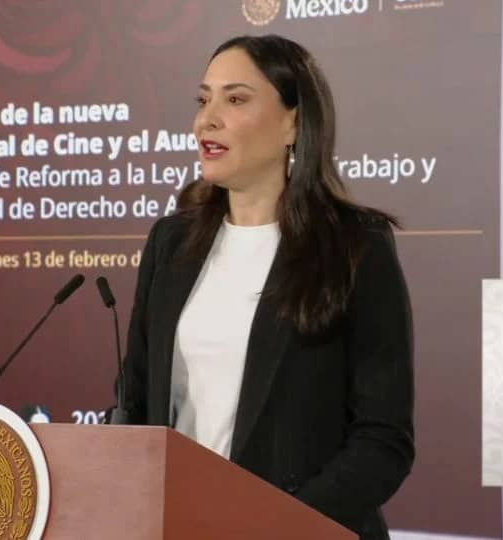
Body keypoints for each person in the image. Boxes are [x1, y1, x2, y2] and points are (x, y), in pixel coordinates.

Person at [117, 35, 414, 539]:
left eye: (235, 99)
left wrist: (277, 525)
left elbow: (383, 440)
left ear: (293, 124)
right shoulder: (171, 243)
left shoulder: (355, 245)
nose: (206, 120)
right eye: (203, 100)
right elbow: (138, 399)